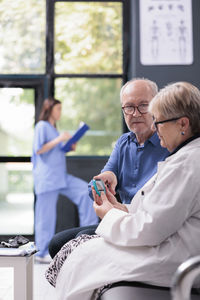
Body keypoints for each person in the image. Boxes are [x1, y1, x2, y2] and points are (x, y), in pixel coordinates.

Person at [46, 81, 200, 300]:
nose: (155, 127)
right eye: (129, 107)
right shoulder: (134, 146)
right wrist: (118, 206)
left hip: (165, 249)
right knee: (76, 249)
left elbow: (151, 227)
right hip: (141, 227)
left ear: (183, 123)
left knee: (82, 252)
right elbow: (153, 210)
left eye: (157, 119)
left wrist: (112, 213)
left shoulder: (184, 162)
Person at [48, 78, 169, 258]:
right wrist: (106, 178)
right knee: (56, 243)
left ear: (156, 106)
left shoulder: (167, 143)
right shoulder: (123, 143)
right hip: (119, 218)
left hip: (143, 222)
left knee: (81, 240)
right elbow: (93, 187)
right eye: (129, 107)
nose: (135, 113)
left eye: (143, 105)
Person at [32, 98, 98, 262]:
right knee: (45, 216)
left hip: (60, 176)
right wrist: (59, 139)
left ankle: (88, 238)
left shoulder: (54, 129)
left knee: (85, 192)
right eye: (58, 109)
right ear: (49, 109)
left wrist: (69, 146)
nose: (60, 112)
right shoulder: (42, 126)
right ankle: (41, 253)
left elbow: (56, 151)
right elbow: (39, 150)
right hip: (47, 177)